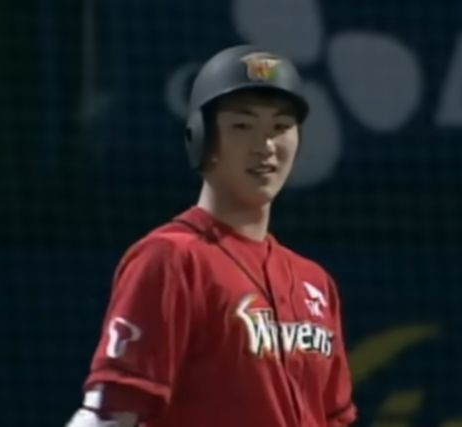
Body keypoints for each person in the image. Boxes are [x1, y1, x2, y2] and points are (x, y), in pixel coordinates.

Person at [66, 45, 357, 427]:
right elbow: (109, 414)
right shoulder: (172, 259)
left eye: (280, 127)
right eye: (243, 126)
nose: (265, 147)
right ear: (203, 138)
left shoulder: (315, 282)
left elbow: (335, 417)